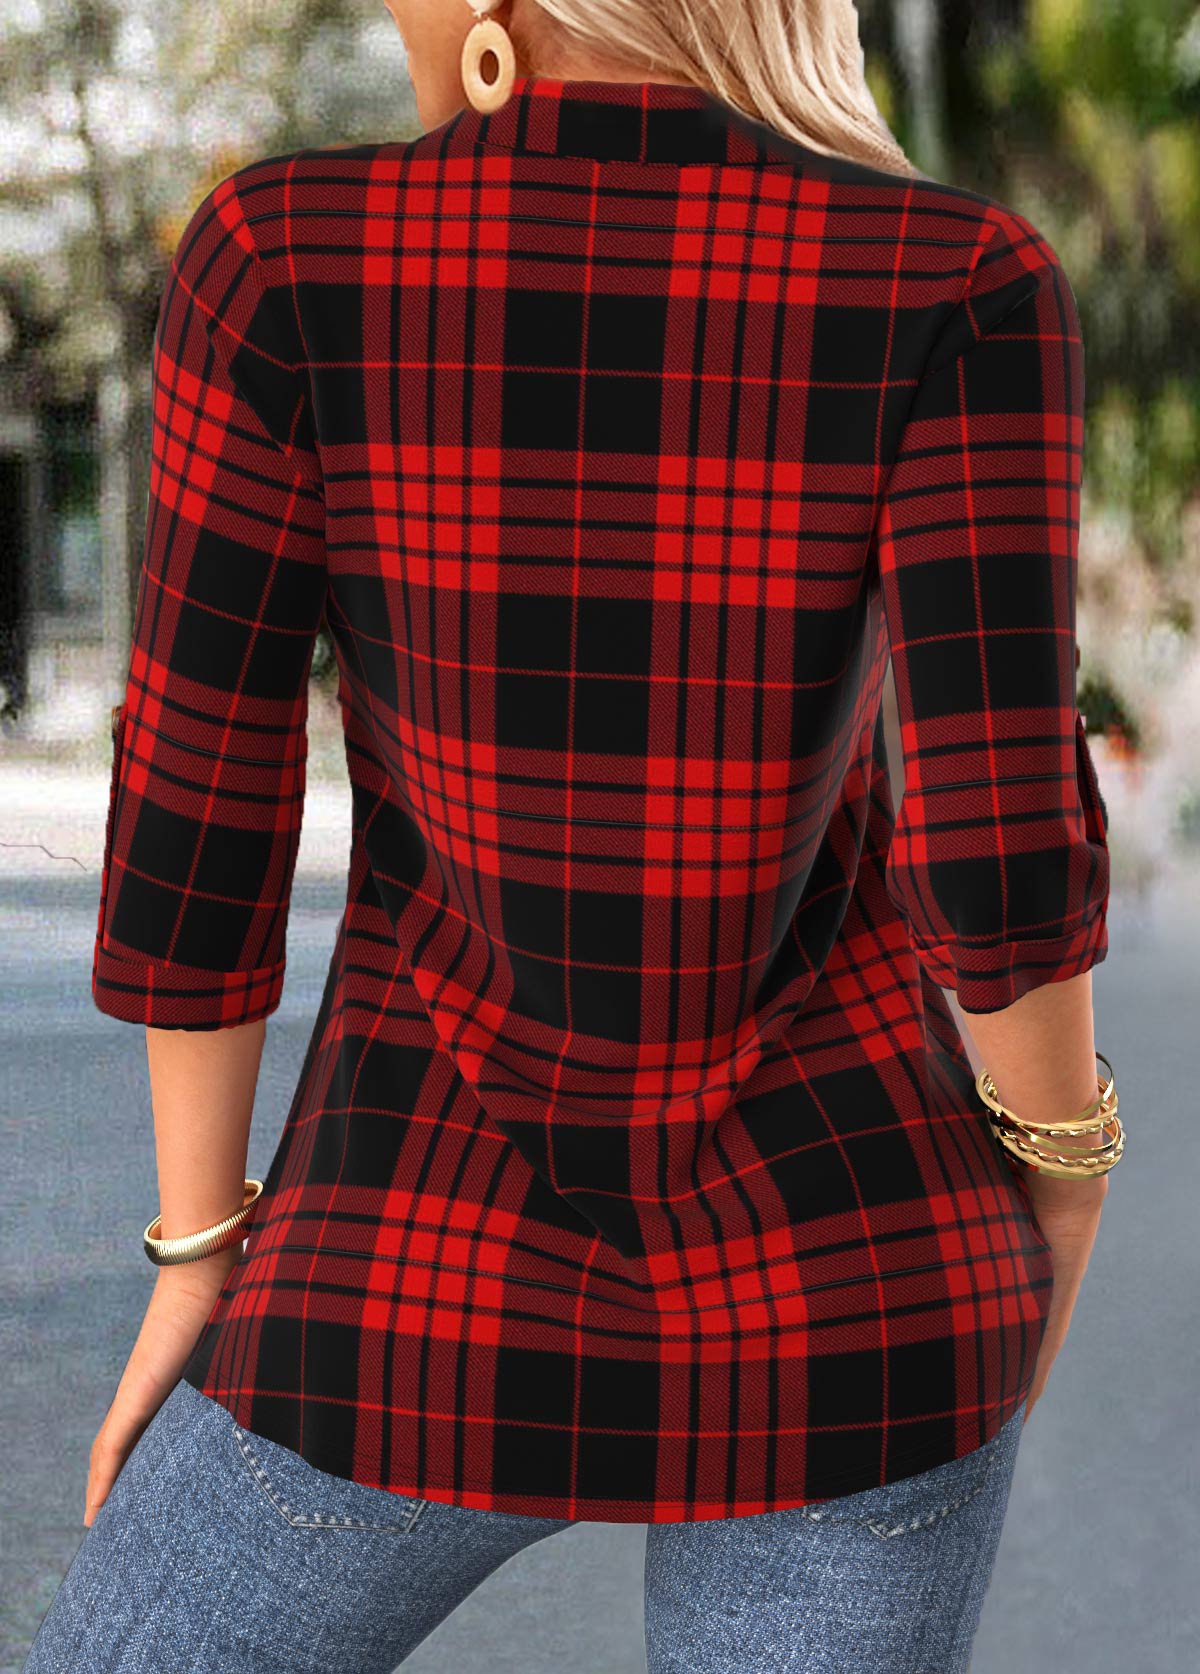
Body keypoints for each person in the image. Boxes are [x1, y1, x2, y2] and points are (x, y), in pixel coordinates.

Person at [23, 1, 1122, 1669]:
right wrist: (1060, 1172)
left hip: (403, 1274)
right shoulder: (955, 281)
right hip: (850, 1287)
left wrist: (199, 1249)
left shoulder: (281, 258)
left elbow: (200, 815)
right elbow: (998, 839)